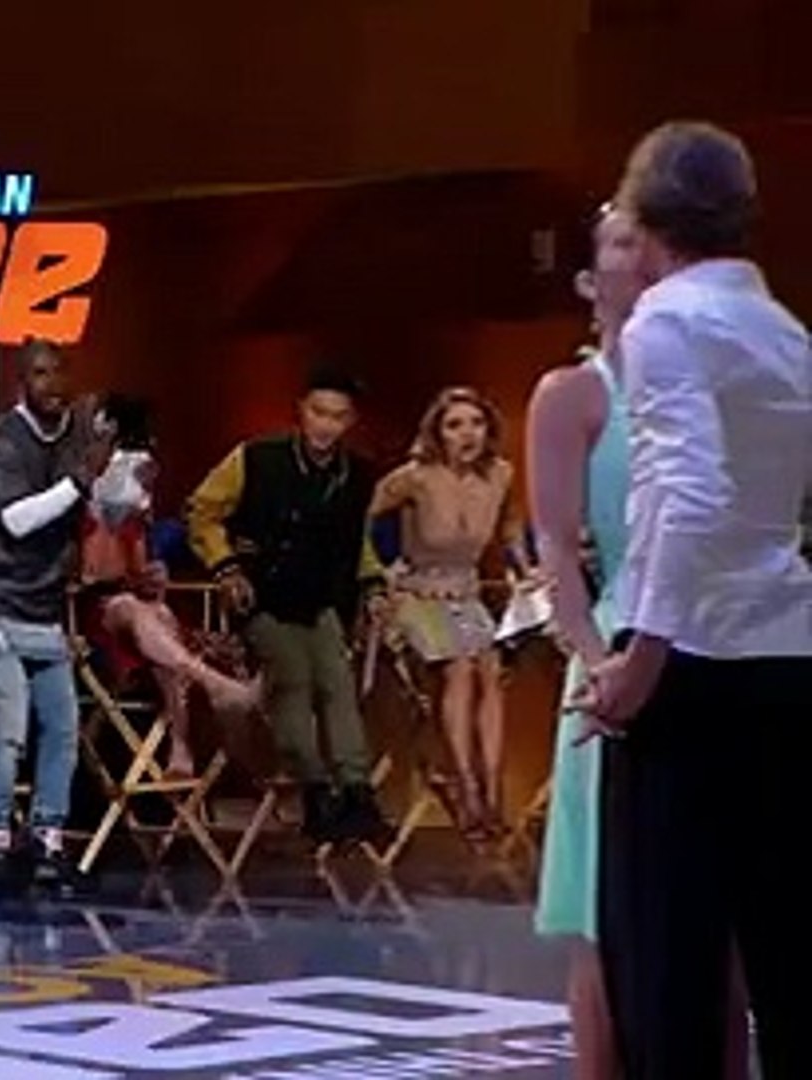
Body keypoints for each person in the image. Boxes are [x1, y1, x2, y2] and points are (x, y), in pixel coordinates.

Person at [581, 121, 810, 1076]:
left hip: (690, 669)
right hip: (786, 657)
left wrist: (642, 655)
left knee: (665, 964)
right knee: (785, 941)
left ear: (645, 219)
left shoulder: (664, 321)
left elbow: (690, 490)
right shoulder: (783, 328)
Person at [529, 204, 751, 1080]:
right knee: (604, 923)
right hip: (615, 658)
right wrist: (598, 664)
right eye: (624, 240)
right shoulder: (573, 395)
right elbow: (554, 548)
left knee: (721, 921)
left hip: (722, 653)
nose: (645, 254)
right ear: (590, 280)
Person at [185, 367, 394, 846]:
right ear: (300, 410)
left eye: (337, 417)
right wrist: (226, 567)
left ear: (351, 421)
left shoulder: (357, 475)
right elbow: (202, 511)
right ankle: (315, 792)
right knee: (293, 676)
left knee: (337, 683)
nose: (326, 425)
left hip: (321, 598)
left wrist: (373, 586)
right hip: (262, 595)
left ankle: (357, 792)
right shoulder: (257, 458)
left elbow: (357, 542)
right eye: (319, 412)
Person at [0, 339, 112, 897]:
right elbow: (18, 520)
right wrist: (80, 480)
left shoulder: (79, 434)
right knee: (11, 723)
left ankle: (47, 839)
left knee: (64, 727)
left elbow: (105, 507)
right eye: (40, 374)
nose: (52, 384)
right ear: (22, 381)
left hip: (43, 606)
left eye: (59, 372)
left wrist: (126, 474)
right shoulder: (4, 437)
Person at [369, 386, 531, 840]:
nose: (467, 434)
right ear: (437, 432)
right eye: (455, 425)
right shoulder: (414, 478)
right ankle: (466, 788)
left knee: (490, 669)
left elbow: (511, 526)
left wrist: (525, 569)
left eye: (476, 423)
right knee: (461, 667)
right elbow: (360, 520)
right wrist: (377, 576)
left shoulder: (501, 474)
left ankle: (492, 788)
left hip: (466, 593)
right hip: (417, 594)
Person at [77, 393, 260, 778]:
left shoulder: (132, 505)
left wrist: (152, 573)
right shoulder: (79, 496)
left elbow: (139, 569)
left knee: (159, 615)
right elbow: (90, 572)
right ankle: (214, 684)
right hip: (86, 609)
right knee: (134, 610)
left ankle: (180, 745)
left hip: (130, 604)